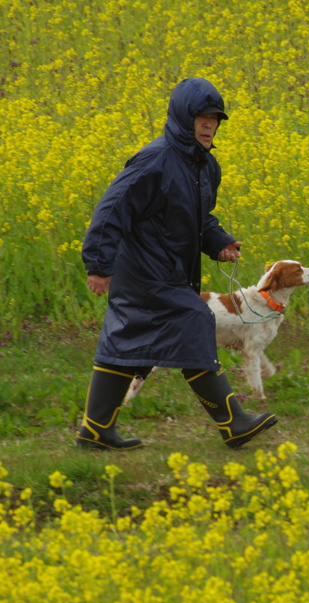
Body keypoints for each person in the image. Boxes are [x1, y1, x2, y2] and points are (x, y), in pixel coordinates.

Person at [76, 77, 277, 450]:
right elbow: (111, 210)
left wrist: (218, 244)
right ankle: (233, 422)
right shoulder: (154, 162)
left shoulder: (205, 167)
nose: (209, 125)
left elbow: (198, 220)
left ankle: (94, 432)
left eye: (215, 119)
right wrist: (99, 265)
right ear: (184, 118)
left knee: (126, 345)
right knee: (196, 320)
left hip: (167, 271)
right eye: (202, 117)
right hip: (142, 273)